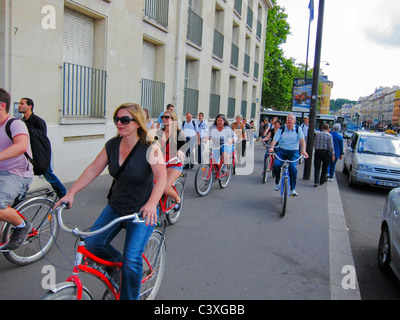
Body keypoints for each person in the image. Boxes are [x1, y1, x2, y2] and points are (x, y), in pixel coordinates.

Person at [55, 103, 167, 300]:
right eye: (117, 118)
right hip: (116, 206)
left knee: (132, 260)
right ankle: (120, 268)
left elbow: (162, 177)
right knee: (91, 245)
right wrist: (71, 192)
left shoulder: (151, 147)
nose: (119, 123)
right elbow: (92, 169)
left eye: (124, 119)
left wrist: (151, 204)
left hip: (141, 211)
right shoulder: (112, 145)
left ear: (137, 122)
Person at [0, 89, 34, 250]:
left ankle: (22, 225)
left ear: (2, 105)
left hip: (17, 174)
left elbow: (21, 146)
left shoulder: (15, 124)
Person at [18, 98, 67, 198]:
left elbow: (42, 140)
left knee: (48, 174)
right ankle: (20, 197)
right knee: (24, 175)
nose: (19, 105)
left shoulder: (38, 121)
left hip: (39, 154)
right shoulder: (22, 121)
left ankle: (63, 193)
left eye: (22, 104)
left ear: (29, 106)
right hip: (27, 154)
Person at [269, 113, 308, 196]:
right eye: (288, 118)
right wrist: (272, 147)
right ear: (286, 120)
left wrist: (303, 150)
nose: (289, 120)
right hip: (282, 151)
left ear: (294, 121)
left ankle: (292, 189)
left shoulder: (298, 129)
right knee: (276, 165)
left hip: (293, 152)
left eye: (291, 118)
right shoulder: (282, 129)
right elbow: (275, 139)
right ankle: (277, 181)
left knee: (293, 168)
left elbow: (302, 140)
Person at [155, 111, 186, 212]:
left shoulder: (179, 134)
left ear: (173, 119)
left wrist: (180, 151)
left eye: (167, 117)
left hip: (174, 164)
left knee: (165, 188)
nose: (164, 119)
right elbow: (153, 147)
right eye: (163, 117)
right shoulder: (159, 133)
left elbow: (183, 147)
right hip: (161, 164)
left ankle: (178, 199)